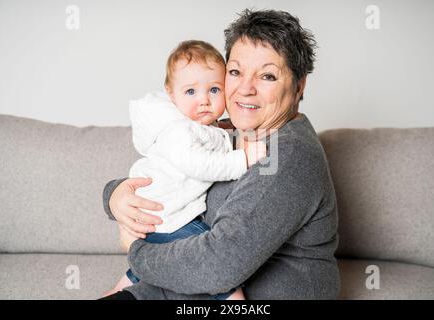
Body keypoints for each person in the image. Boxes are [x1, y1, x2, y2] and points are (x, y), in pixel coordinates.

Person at [101, 9, 340, 300]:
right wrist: (115, 195)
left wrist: (135, 250)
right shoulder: (230, 132)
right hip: (180, 288)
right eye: (236, 72)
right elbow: (172, 170)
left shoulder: (282, 156)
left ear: (298, 86)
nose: (245, 89)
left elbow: (217, 267)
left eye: (267, 75)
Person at [104, 40, 266, 300]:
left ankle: (115, 291)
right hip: (168, 219)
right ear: (171, 94)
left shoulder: (206, 128)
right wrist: (243, 159)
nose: (204, 101)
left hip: (163, 218)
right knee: (221, 273)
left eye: (214, 89)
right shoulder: (179, 130)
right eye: (191, 92)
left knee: (146, 271)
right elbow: (198, 164)